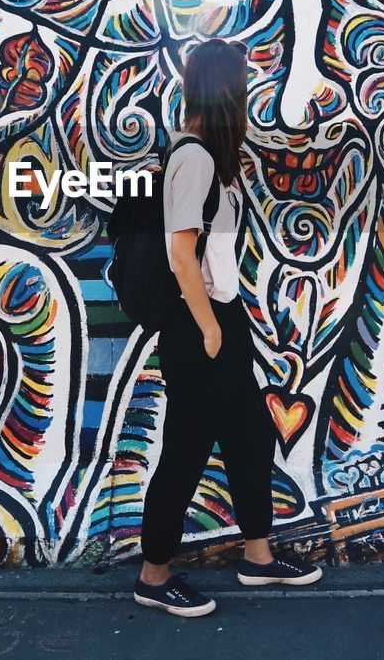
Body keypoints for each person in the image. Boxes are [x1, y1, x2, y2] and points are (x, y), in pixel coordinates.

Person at [133, 39, 323, 618]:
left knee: (249, 435)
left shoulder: (212, 156)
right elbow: (181, 253)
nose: (249, 96)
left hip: (222, 319)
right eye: (243, 86)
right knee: (186, 452)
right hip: (202, 326)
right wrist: (211, 328)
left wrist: (224, 325)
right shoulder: (193, 157)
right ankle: (154, 573)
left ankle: (258, 556)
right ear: (226, 92)